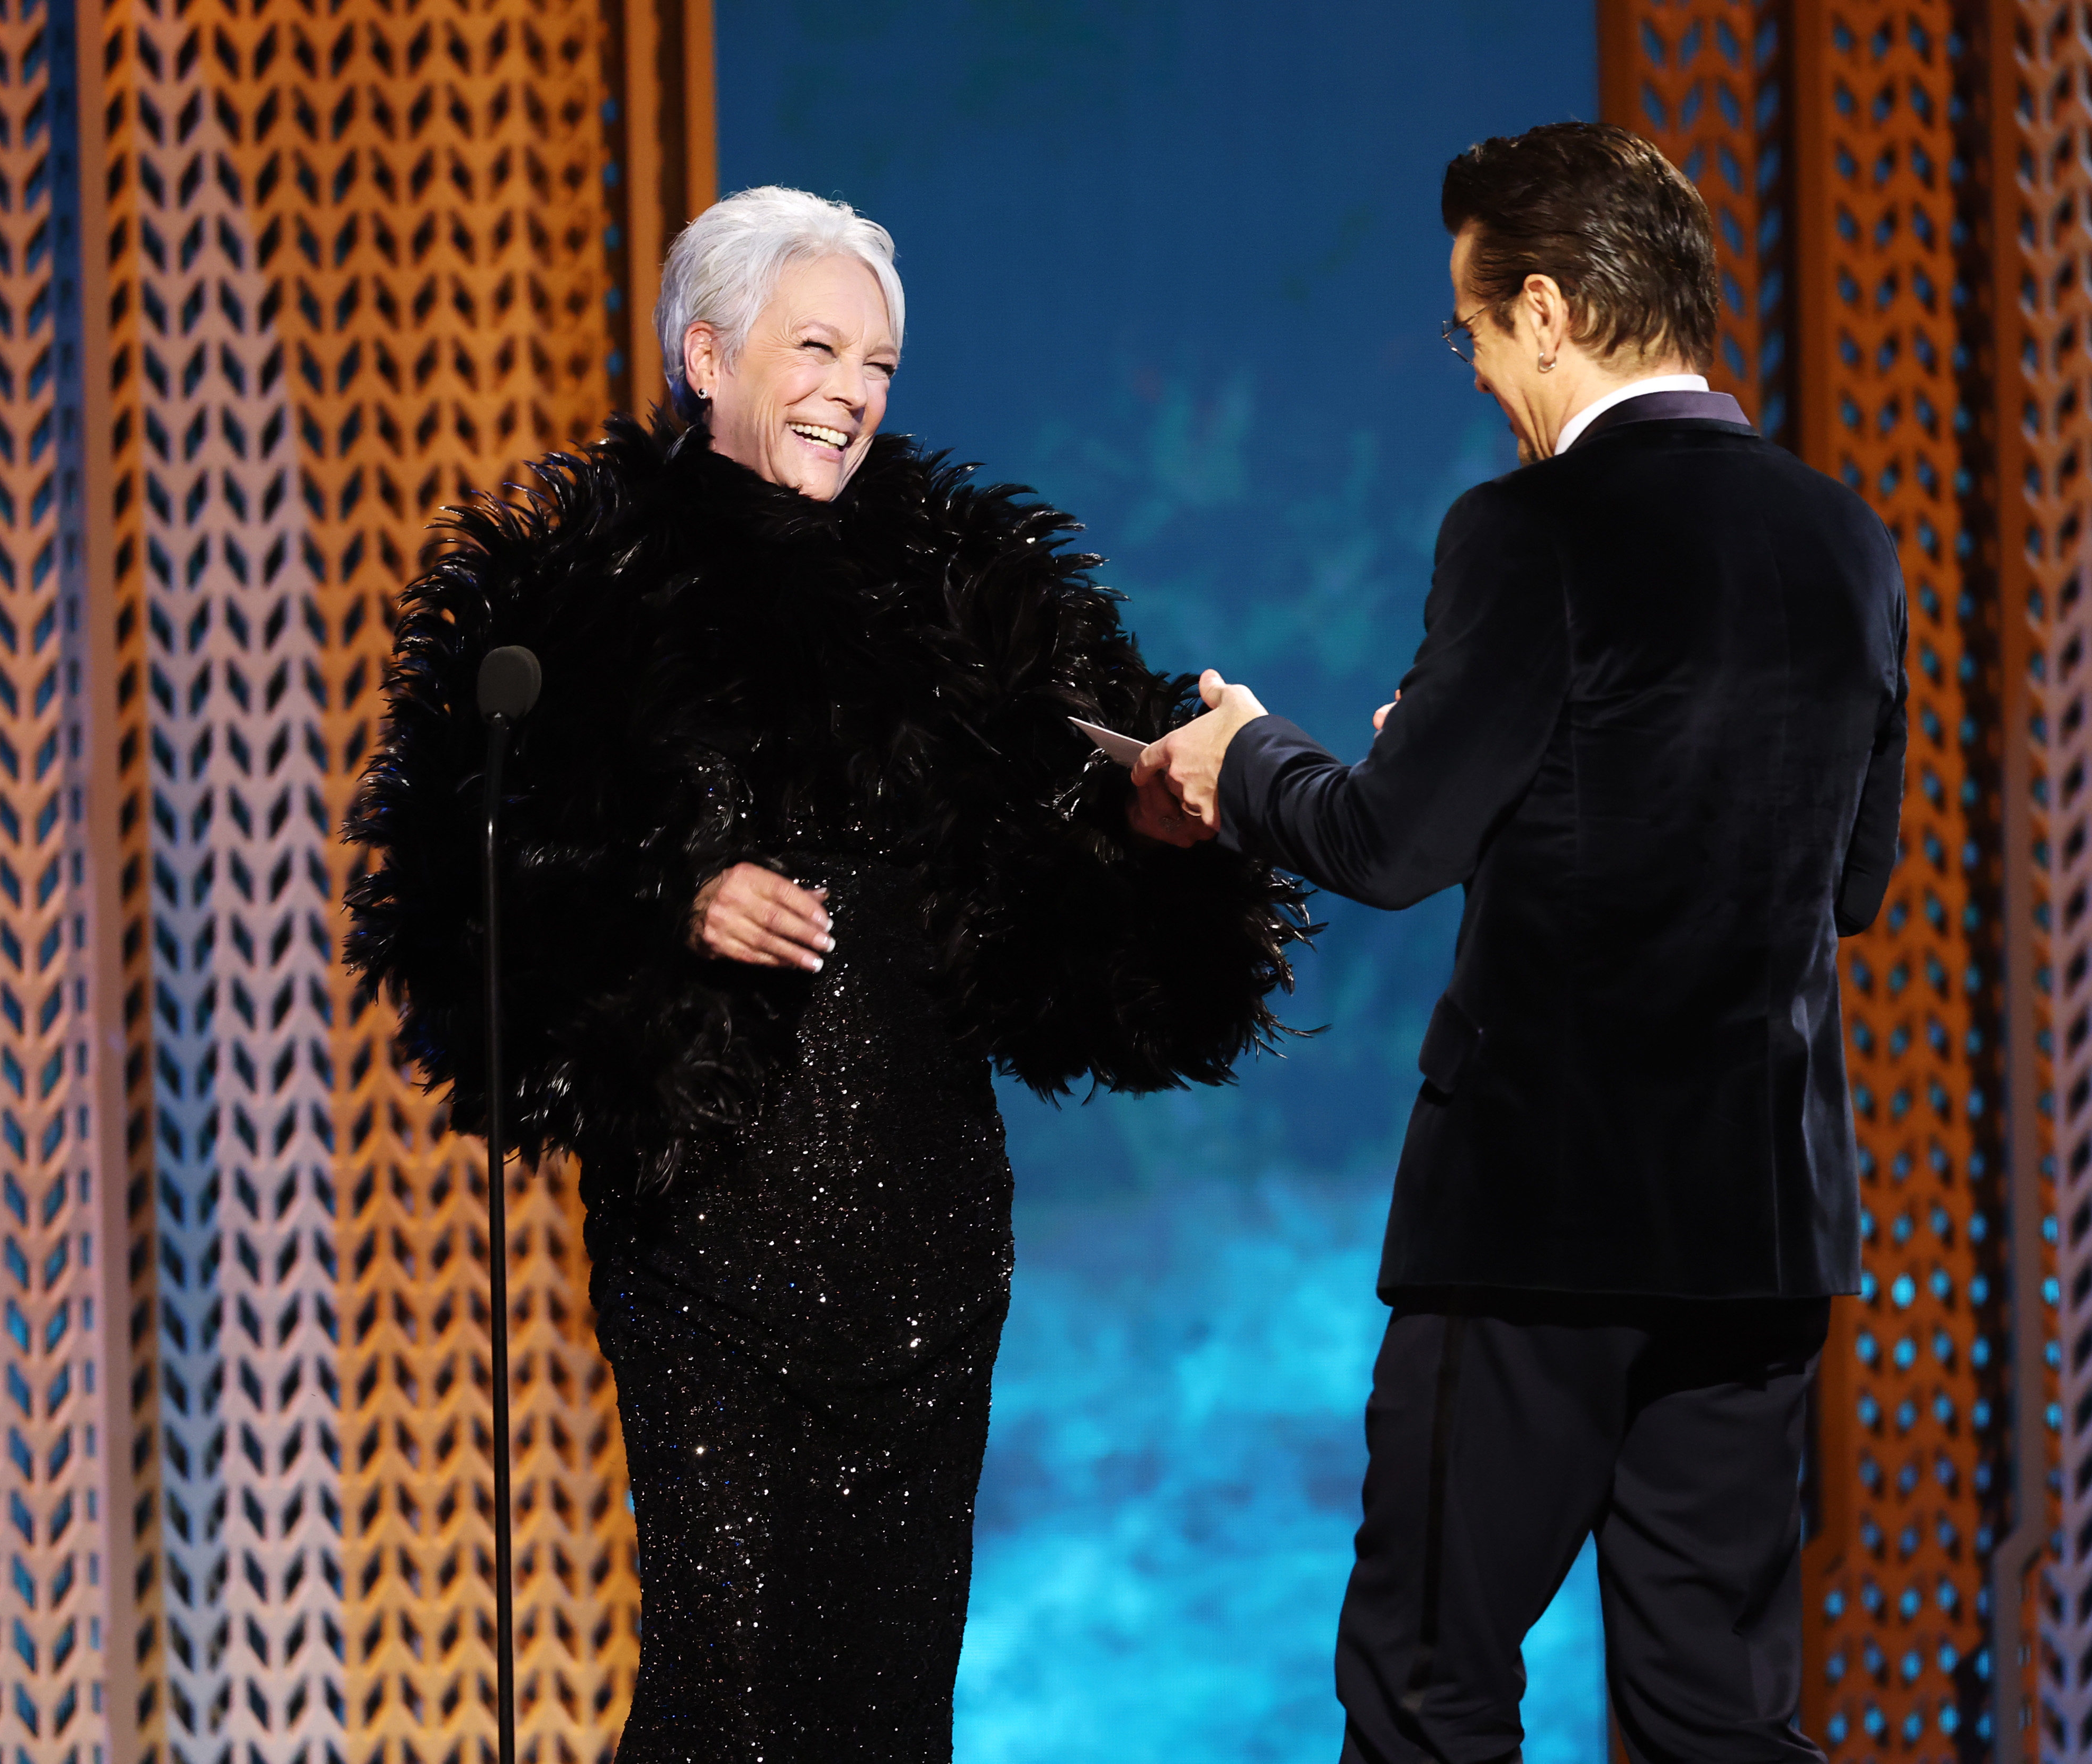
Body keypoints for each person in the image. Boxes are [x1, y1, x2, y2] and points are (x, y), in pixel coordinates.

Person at [344, 185, 1309, 1762]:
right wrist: (675, 898)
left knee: (885, 1699)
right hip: (706, 1224)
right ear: (705, 353)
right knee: (724, 1691)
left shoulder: (967, 588)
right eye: (817, 347)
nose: (852, 389)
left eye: (879, 361)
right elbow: (461, 887)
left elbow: (1085, 852)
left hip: (929, 1235)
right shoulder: (565, 603)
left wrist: (1160, 816)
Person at [1139, 122, 1905, 1763]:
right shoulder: (1848, 543)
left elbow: (1388, 844)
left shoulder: (1534, 530)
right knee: (1718, 1715)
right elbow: (1849, 886)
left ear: (1547, 310)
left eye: (1475, 329)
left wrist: (1247, 758)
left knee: (1429, 1689)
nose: (1478, 370)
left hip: (1540, 1232)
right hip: (1760, 1235)